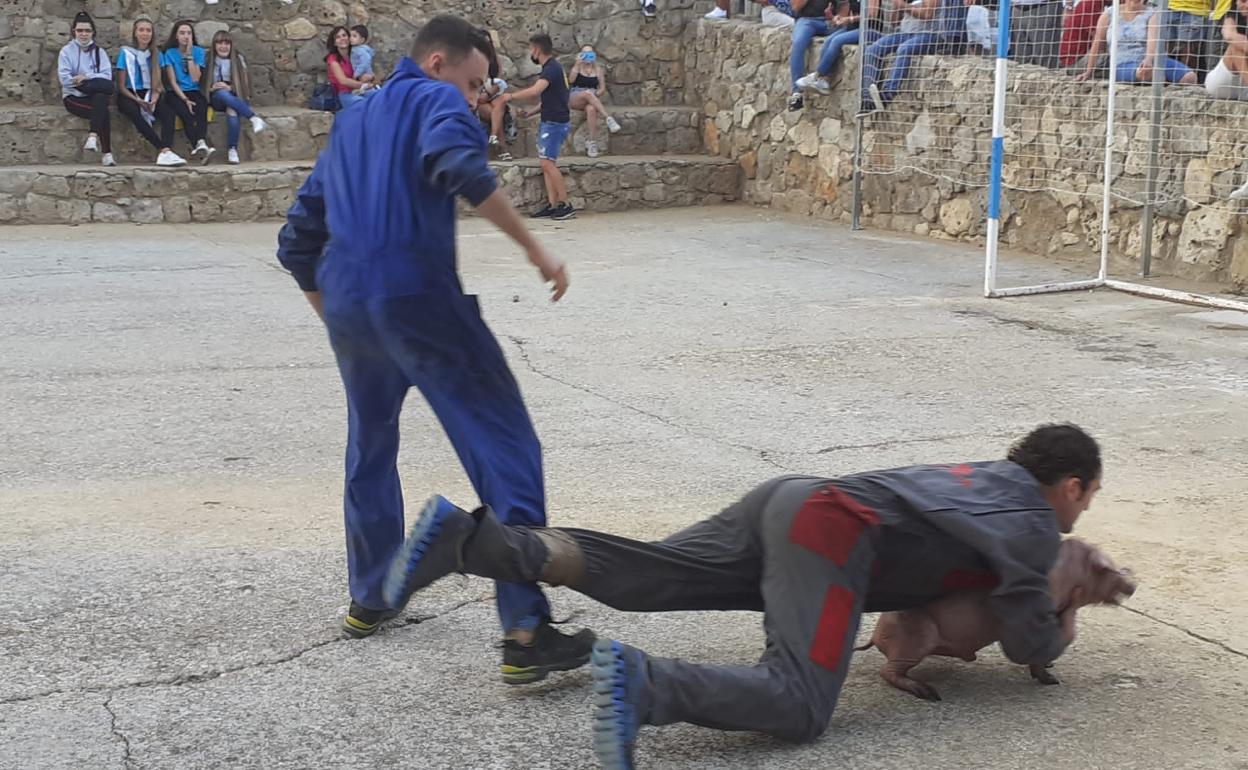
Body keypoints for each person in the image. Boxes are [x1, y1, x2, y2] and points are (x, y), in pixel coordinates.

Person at [386, 423, 1103, 769]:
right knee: (799, 702)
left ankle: (471, 541)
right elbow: (1025, 639)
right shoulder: (1036, 525)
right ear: (1070, 486)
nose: (1082, 513)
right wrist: (1067, 612)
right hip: (832, 534)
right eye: (1088, 499)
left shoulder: (980, 478)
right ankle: (646, 686)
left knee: (652, 573)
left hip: (790, 498)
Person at [275, 15, 593, 685]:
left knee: (370, 444)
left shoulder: (352, 119)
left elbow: (297, 238)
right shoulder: (434, 96)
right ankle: (524, 628)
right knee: (504, 446)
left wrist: (337, 316)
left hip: (352, 304)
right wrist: (536, 249)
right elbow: (459, 168)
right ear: (439, 62)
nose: (480, 98)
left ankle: (372, 593)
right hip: (417, 293)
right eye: (476, 83)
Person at [497, 33, 574, 220]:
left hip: (555, 122)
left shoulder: (551, 69)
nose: (530, 53)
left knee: (547, 163)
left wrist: (510, 96)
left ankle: (566, 204)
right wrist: (531, 112)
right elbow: (551, 98)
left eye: (531, 49)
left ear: (537, 49)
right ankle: (553, 204)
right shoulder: (553, 68)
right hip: (552, 119)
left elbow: (536, 91)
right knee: (547, 163)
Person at [858, 0, 968, 117]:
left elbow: (928, 15)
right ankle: (868, 100)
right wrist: (896, 7)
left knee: (904, 49)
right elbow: (894, 22)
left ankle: (888, 93)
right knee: (872, 50)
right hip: (906, 33)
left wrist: (903, 6)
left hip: (930, 35)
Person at [115, 18, 186, 167]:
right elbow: (121, 86)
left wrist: (154, 97)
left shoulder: (156, 55)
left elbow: (158, 83)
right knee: (134, 112)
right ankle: (163, 149)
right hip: (129, 94)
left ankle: (166, 150)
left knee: (168, 113)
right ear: (135, 33)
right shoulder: (126, 53)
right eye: (141, 30)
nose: (145, 34)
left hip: (150, 92)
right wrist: (138, 100)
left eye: (148, 30)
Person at [1076, 0, 1197, 85]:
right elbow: (1097, 42)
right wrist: (1088, 72)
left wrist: (1148, 60)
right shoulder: (1109, 14)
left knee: (1190, 77)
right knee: (1145, 74)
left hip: (1151, 61)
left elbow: (1152, 40)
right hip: (1122, 63)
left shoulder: (1152, 14)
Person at [795, 0, 887, 99]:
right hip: (853, 28)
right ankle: (823, 79)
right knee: (829, 40)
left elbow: (872, 14)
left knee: (837, 41)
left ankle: (817, 75)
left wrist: (850, 19)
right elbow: (847, 11)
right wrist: (836, 17)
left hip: (870, 30)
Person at [58, 11, 116, 166]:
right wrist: (87, 81)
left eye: (87, 31)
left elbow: (107, 77)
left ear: (93, 32)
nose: (84, 34)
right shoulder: (66, 52)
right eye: (80, 30)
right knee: (103, 110)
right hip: (73, 97)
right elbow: (65, 79)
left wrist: (86, 77)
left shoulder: (99, 52)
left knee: (103, 94)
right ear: (74, 32)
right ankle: (106, 153)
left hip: (93, 93)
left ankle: (93, 136)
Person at [202, 30, 267, 165]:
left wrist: (230, 87)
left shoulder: (238, 59)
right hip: (215, 97)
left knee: (232, 110)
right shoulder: (208, 59)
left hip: (235, 96)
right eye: (220, 43)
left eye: (227, 43)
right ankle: (253, 117)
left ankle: (232, 150)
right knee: (221, 93)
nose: (223, 46)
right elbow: (201, 84)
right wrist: (212, 88)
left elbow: (245, 86)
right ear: (214, 45)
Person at [160, 20, 215, 164]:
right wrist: (185, 99)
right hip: (176, 92)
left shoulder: (198, 52)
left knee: (202, 107)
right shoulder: (169, 53)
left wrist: (189, 55)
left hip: (194, 90)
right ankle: (199, 144)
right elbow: (172, 81)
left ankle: (201, 142)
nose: (186, 36)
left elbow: (195, 78)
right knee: (186, 113)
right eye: (182, 33)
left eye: (189, 33)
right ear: (176, 36)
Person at [567, 46, 622, 158]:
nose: (588, 56)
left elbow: (602, 88)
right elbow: (570, 81)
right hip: (575, 95)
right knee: (587, 94)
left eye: (590, 54)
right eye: (585, 54)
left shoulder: (598, 70)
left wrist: (595, 94)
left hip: (592, 96)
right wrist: (577, 64)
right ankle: (608, 118)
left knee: (591, 109)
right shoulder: (578, 67)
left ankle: (591, 142)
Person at [786, 0, 836, 111]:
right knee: (799, 43)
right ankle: (797, 93)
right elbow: (795, 7)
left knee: (835, 41)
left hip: (832, 21)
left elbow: (845, 5)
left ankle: (821, 78)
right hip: (808, 20)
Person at [1206, 0, 1248, 100]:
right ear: (1236, 2)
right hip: (1221, 83)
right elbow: (1230, 36)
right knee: (1235, 47)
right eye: (1243, 1)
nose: (1246, 5)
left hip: (1242, 88)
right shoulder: (1230, 17)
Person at [325, 26, 375, 110]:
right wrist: (365, 85)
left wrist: (372, 77)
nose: (342, 38)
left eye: (344, 35)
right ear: (334, 43)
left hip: (361, 90)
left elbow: (370, 72)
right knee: (362, 104)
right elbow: (343, 81)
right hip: (344, 93)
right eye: (338, 37)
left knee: (380, 98)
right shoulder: (332, 59)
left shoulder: (356, 54)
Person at [1010, 0, 1064, 69]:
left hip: (1043, 7)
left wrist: (1069, 6)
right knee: (1021, 60)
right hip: (1017, 8)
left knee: (1045, 60)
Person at [1059, 0, 1110, 70]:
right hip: (1075, 61)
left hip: (1075, 58)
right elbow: (1099, 40)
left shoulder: (1095, 4)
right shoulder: (1092, 4)